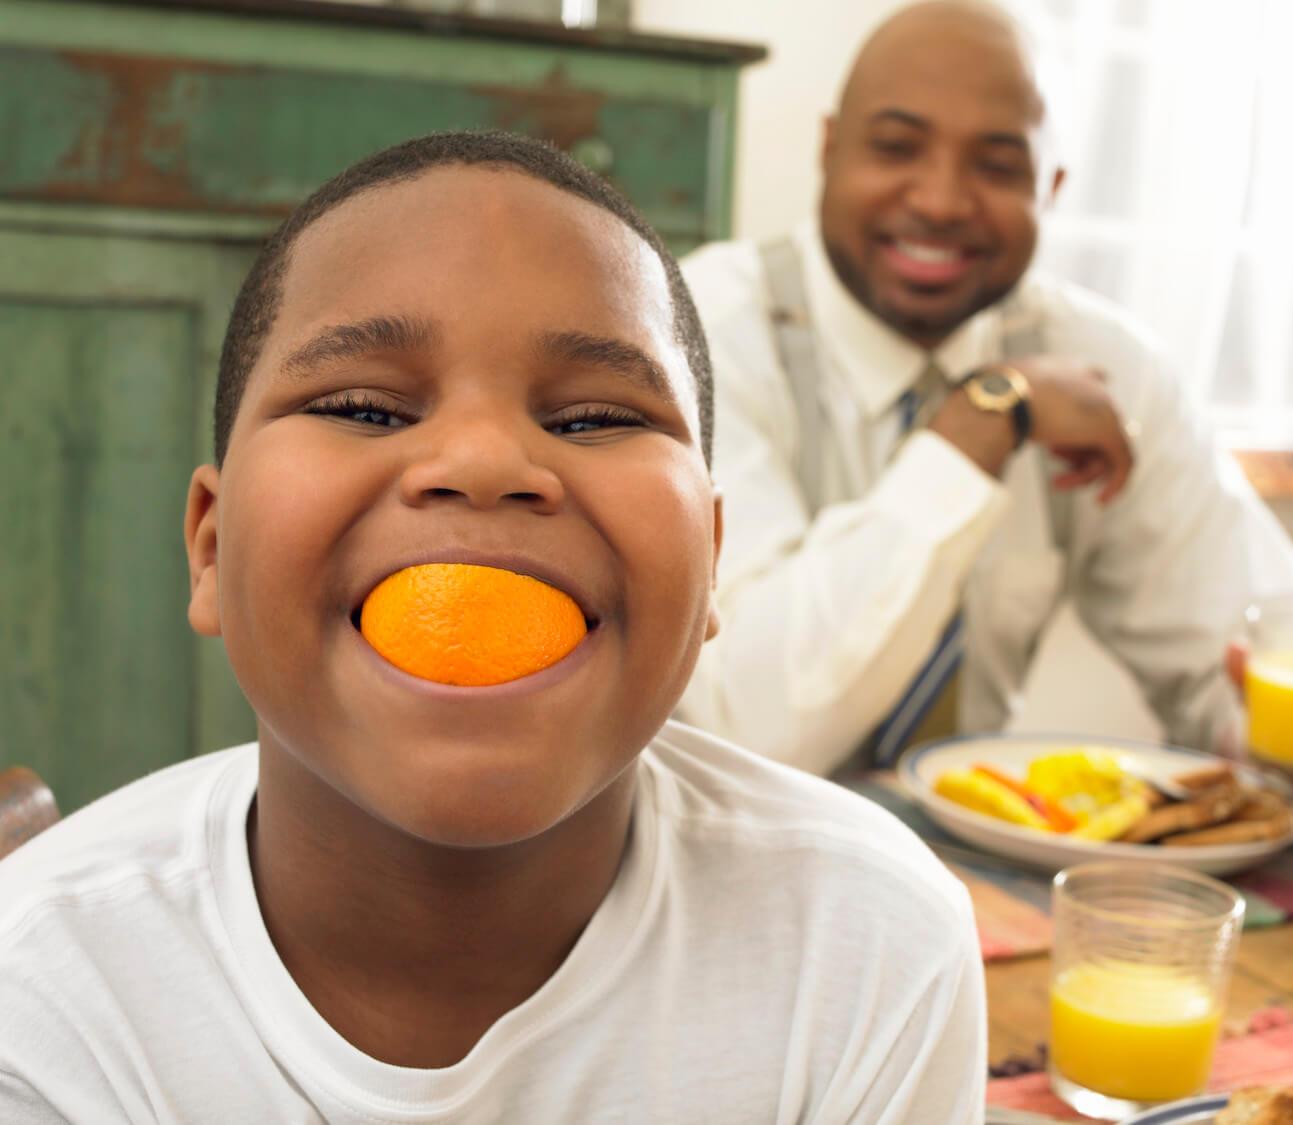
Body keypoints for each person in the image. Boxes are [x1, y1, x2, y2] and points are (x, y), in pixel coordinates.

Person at [0, 132, 985, 1123]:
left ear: (712, 562)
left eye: (596, 417)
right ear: (212, 549)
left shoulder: (869, 947)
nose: (480, 459)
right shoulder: (40, 997)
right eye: (364, 408)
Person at [675, 0, 1293, 798]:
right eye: (896, 148)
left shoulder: (1105, 367)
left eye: (997, 166)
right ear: (828, 149)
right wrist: (982, 421)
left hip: (976, 873)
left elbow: (1241, 651)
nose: (940, 200)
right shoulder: (698, 332)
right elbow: (749, 725)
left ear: (1051, 187)